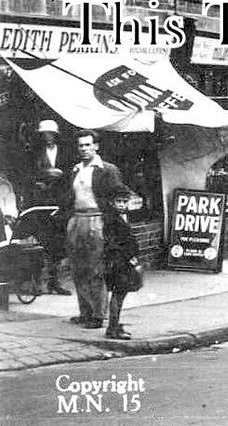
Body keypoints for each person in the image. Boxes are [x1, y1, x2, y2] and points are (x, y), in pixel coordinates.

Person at [64, 131, 131, 330]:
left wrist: (116, 224)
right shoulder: (75, 169)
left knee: (95, 268)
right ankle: (84, 311)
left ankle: (97, 314)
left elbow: (121, 195)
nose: (84, 149)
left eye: (87, 145)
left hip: (97, 220)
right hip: (77, 220)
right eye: (80, 146)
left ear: (96, 146)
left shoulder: (107, 170)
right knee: (78, 269)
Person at [11, 168, 71, 295]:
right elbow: (30, 210)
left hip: (53, 225)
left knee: (57, 252)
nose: (54, 182)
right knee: (38, 253)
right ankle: (37, 283)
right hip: (38, 226)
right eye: (51, 179)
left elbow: (62, 205)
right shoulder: (35, 191)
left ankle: (54, 283)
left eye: (56, 180)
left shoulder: (58, 191)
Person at [102, 198, 142, 340]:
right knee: (119, 294)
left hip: (119, 261)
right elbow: (114, 243)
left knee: (119, 294)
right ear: (112, 202)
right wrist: (129, 256)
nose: (121, 204)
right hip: (119, 262)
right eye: (118, 201)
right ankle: (112, 328)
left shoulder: (117, 217)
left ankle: (114, 325)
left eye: (124, 201)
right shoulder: (112, 220)